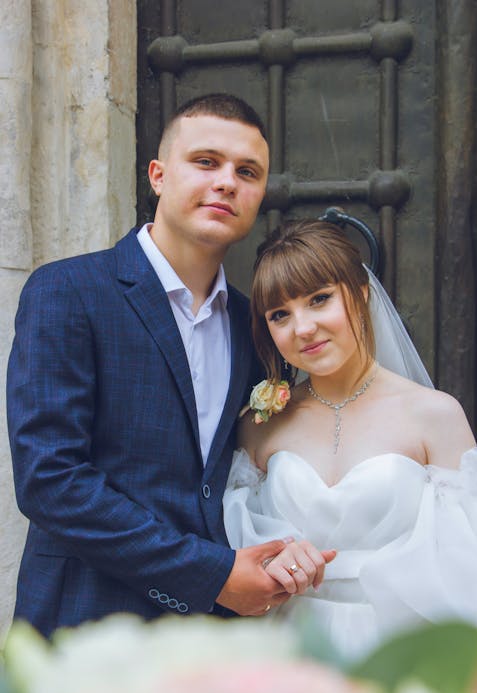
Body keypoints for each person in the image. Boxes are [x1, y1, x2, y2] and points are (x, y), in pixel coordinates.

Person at [7, 94, 334, 638]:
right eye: (206, 162)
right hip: (82, 630)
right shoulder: (68, 290)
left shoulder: (259, 331)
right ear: (158, 175)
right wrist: (211, 574)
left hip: (214, 644)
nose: (227, 181)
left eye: (247, 171)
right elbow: (50, 480)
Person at [223, 218, 477, 693]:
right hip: (288, 665)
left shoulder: (434, 415)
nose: (302, 328)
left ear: (361, 294)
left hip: (400, 663)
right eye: (279, 314)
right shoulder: (259, 424)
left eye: (319, 299)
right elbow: (233, 564)